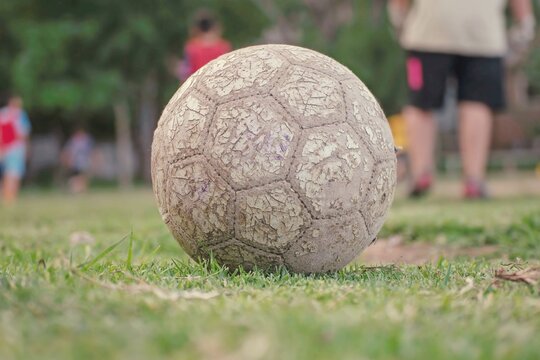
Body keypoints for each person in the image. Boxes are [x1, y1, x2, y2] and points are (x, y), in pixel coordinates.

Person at [388, 0, 536, 199]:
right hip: (483, 33)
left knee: (421, 104)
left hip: (429, 30)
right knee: (477, 103)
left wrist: (398, 13)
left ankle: (420, 173)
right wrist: (525, 22)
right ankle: (473, 180)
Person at [177, 10, 231, 81]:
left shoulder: (191, 47)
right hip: (220, 87)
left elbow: (185, 73)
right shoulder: (224, 46)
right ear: (214, 26)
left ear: (196, 28)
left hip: (198, 88)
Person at [0, 94, 31, 204]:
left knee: (10, 173)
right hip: (13, 148)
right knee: (12, 173)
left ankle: (10, 196)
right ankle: (9, 197)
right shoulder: (18, 115)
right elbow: (24, 134)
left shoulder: (4, 114)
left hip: (9, 148)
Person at [61, 126, 94, 193]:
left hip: (84, 162)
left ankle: (80, 190)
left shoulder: (87, 140)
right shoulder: (73, 141)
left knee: (83, 177)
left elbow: (91, 151)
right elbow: (67, 152)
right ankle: (76, 189)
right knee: (77, 177)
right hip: (75, 163)